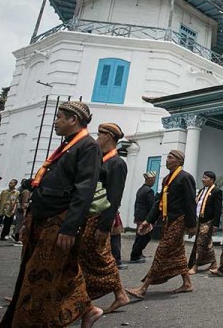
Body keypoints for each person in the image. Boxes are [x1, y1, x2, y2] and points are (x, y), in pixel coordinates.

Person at [0, 101, 103, 328]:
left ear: (73, 119)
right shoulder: (67, 146)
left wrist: (70, 227)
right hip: (43, 218)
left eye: (59, 117)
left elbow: (84, 189)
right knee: (60, 271)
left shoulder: (87, 147)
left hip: (60, 220)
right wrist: (30, 218)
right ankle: (87, 308)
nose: (55, 121)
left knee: (40, 277)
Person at [126, 149, 197, 299]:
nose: (167, 160)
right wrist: (148, 220)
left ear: (178, 161)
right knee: (178, 252)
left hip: (179, 220)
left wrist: (191, 224)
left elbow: (191, 202)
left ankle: (143, 288)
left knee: (162, 251)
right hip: (167, 220)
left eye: (170, 157)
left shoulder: (185, 178)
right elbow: (158, 201)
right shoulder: (166, 179)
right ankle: (187, 283)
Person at [78, 122, 129, 314]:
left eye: (99, 134)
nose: (96, 137)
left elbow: (114, 196)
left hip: (99, 216)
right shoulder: (102, 160)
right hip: (89, 214)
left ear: (108, 136)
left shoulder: (117, 164)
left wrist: (104, 225)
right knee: (91, 256)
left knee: (100, 255)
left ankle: (117, 294)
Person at [188, 171, 222, 274]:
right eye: (203, 177)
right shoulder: (201, 191)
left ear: (212, 180)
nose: (203, 179)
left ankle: (195, 265)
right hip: (199, 220)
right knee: (207, 243)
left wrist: (216, 224)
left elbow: (218, 209)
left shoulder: (216, 191)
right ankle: (213, 263)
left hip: (209, 221)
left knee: (201, 243)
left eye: (206, 178)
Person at [129, 171, 156, 263]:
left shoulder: (141, 189)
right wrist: (151, 218)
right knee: (144, 237)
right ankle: (135, 255)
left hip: (139, 216)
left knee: (139, 235)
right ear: (149, 179)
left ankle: (137, 253)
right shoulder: (149, 191)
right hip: (145, 217)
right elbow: (151, 205)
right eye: (153, 180)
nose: (154, 182)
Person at [10, 179, 32, 245]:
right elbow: (25, 203)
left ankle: (16, 236)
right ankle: (16, 237)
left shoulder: (21, 190)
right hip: (21, 209)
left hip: (19, 208)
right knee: (20, 223)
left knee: (19, 223)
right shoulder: (26, 191)